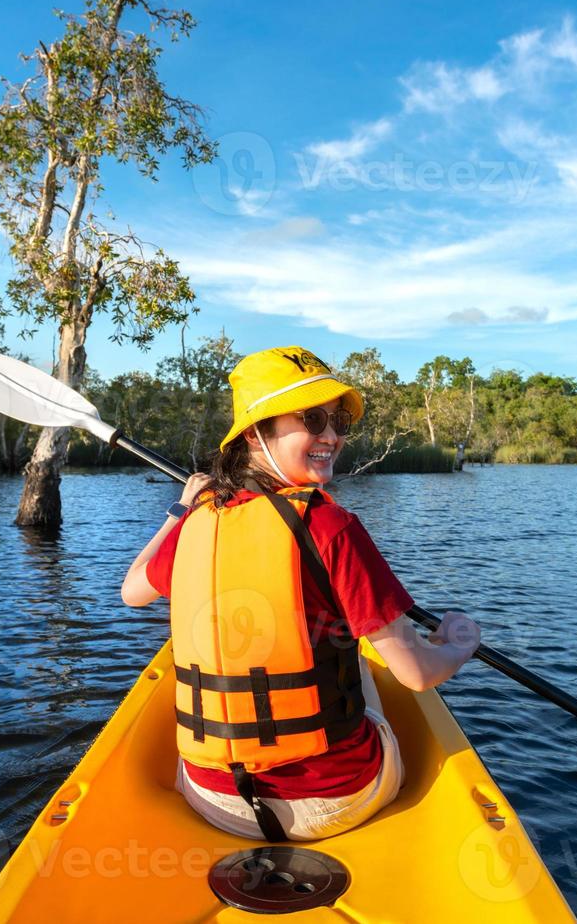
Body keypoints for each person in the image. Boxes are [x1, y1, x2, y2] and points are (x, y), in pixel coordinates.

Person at [120, 345, 483, 843]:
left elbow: (132, 591)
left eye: (338, 422)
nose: (331, 436)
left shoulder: (197, 520)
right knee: (358, 654)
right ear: (255, 432)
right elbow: (418, 674)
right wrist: (460, 642)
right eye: (312, 419)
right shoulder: (331, 526)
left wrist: (181, 508)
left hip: (213, 798)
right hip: (335, 801)